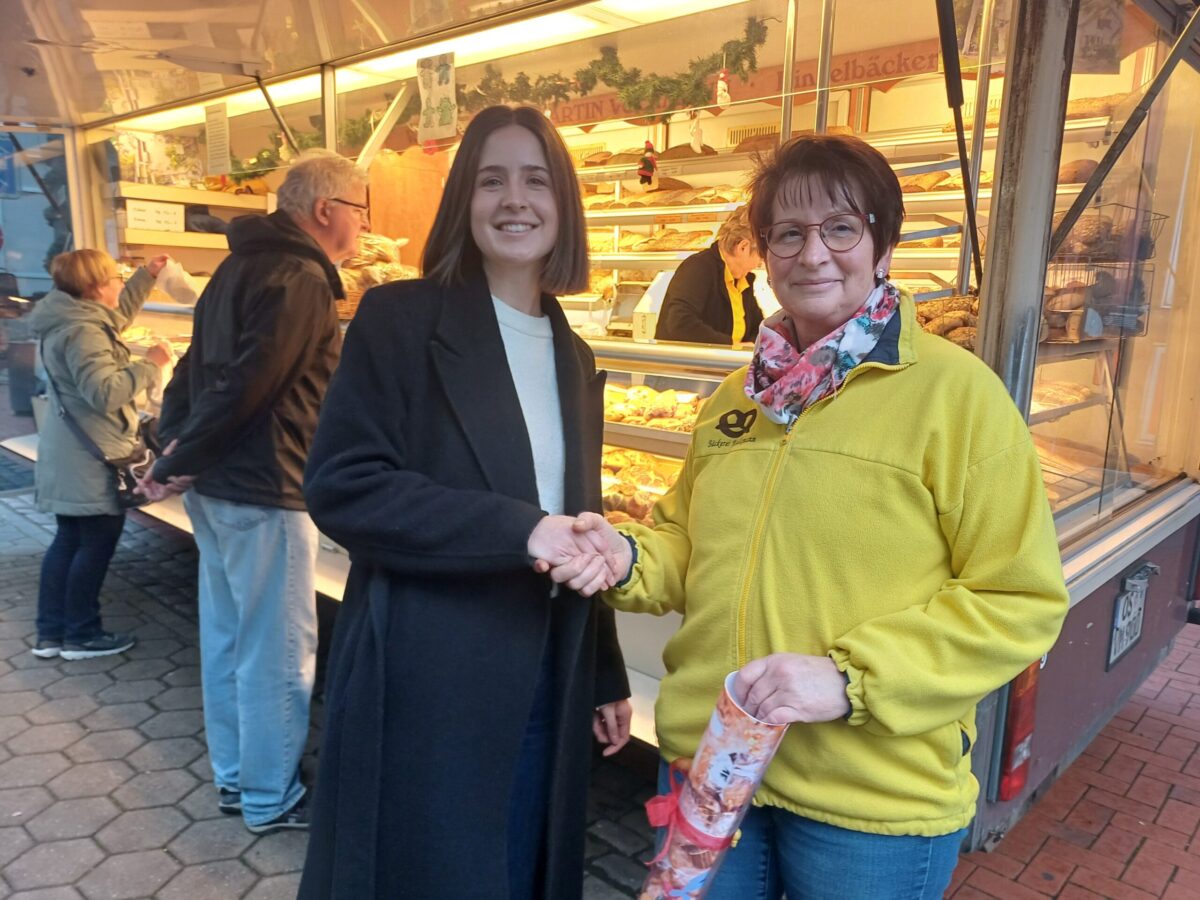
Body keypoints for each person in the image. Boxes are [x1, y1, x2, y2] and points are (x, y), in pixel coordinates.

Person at [559, 133, 1070, 899]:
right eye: (788, 234)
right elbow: (683, 545)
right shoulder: (738, 399)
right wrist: (625, 558)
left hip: (868, 799)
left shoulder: (956, 395)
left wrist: (850, 679)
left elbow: (1018, 598)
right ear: (762, 255)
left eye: (840, 227)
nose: (813, 253)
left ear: (882, 244)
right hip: (715, 771)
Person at [297, 105, 631, 900]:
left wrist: (604, 671)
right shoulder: (401, 320)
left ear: (563, 205)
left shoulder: (573, 353)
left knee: (520, 865)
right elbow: (343, 485)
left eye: (535, 180)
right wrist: (523, 532)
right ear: (463, 201)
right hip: (429, 667)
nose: (515, 200)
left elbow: (576, 513)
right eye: (491, 180)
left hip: (550, 660)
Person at [137, 149, 367, 835]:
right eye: (360, 209)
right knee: (275, 652)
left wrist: (174, 452)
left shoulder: (237, 265)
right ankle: (272, 796)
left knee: (231, 638)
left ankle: (238, 779)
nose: (362, 225)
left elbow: (194, 370)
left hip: (218, 486)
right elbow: (250, 383)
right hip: (267, 485)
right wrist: (180, 456)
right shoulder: (300, 279)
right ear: (325, 211)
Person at [28, 250, 172, 661]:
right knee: (95, 542)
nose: (117, 283)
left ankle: (51, 633)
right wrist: (150, 366)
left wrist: (147, 277)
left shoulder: (72, 316)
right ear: (95, 288)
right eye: (114, 278)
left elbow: (114, 319)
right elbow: (105, 392)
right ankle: (82, 634)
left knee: (69, 539)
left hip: (69, 450)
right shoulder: (84, 331)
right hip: (91, 458)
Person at [654, 205, 764, 345]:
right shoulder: (698, 268)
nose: (760, 263)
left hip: (724, 365)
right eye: (761, 256)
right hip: (689, 364)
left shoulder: (743, 280)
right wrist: (732, 348)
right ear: (743, 247)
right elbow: (680, 324)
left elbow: (758, 327)